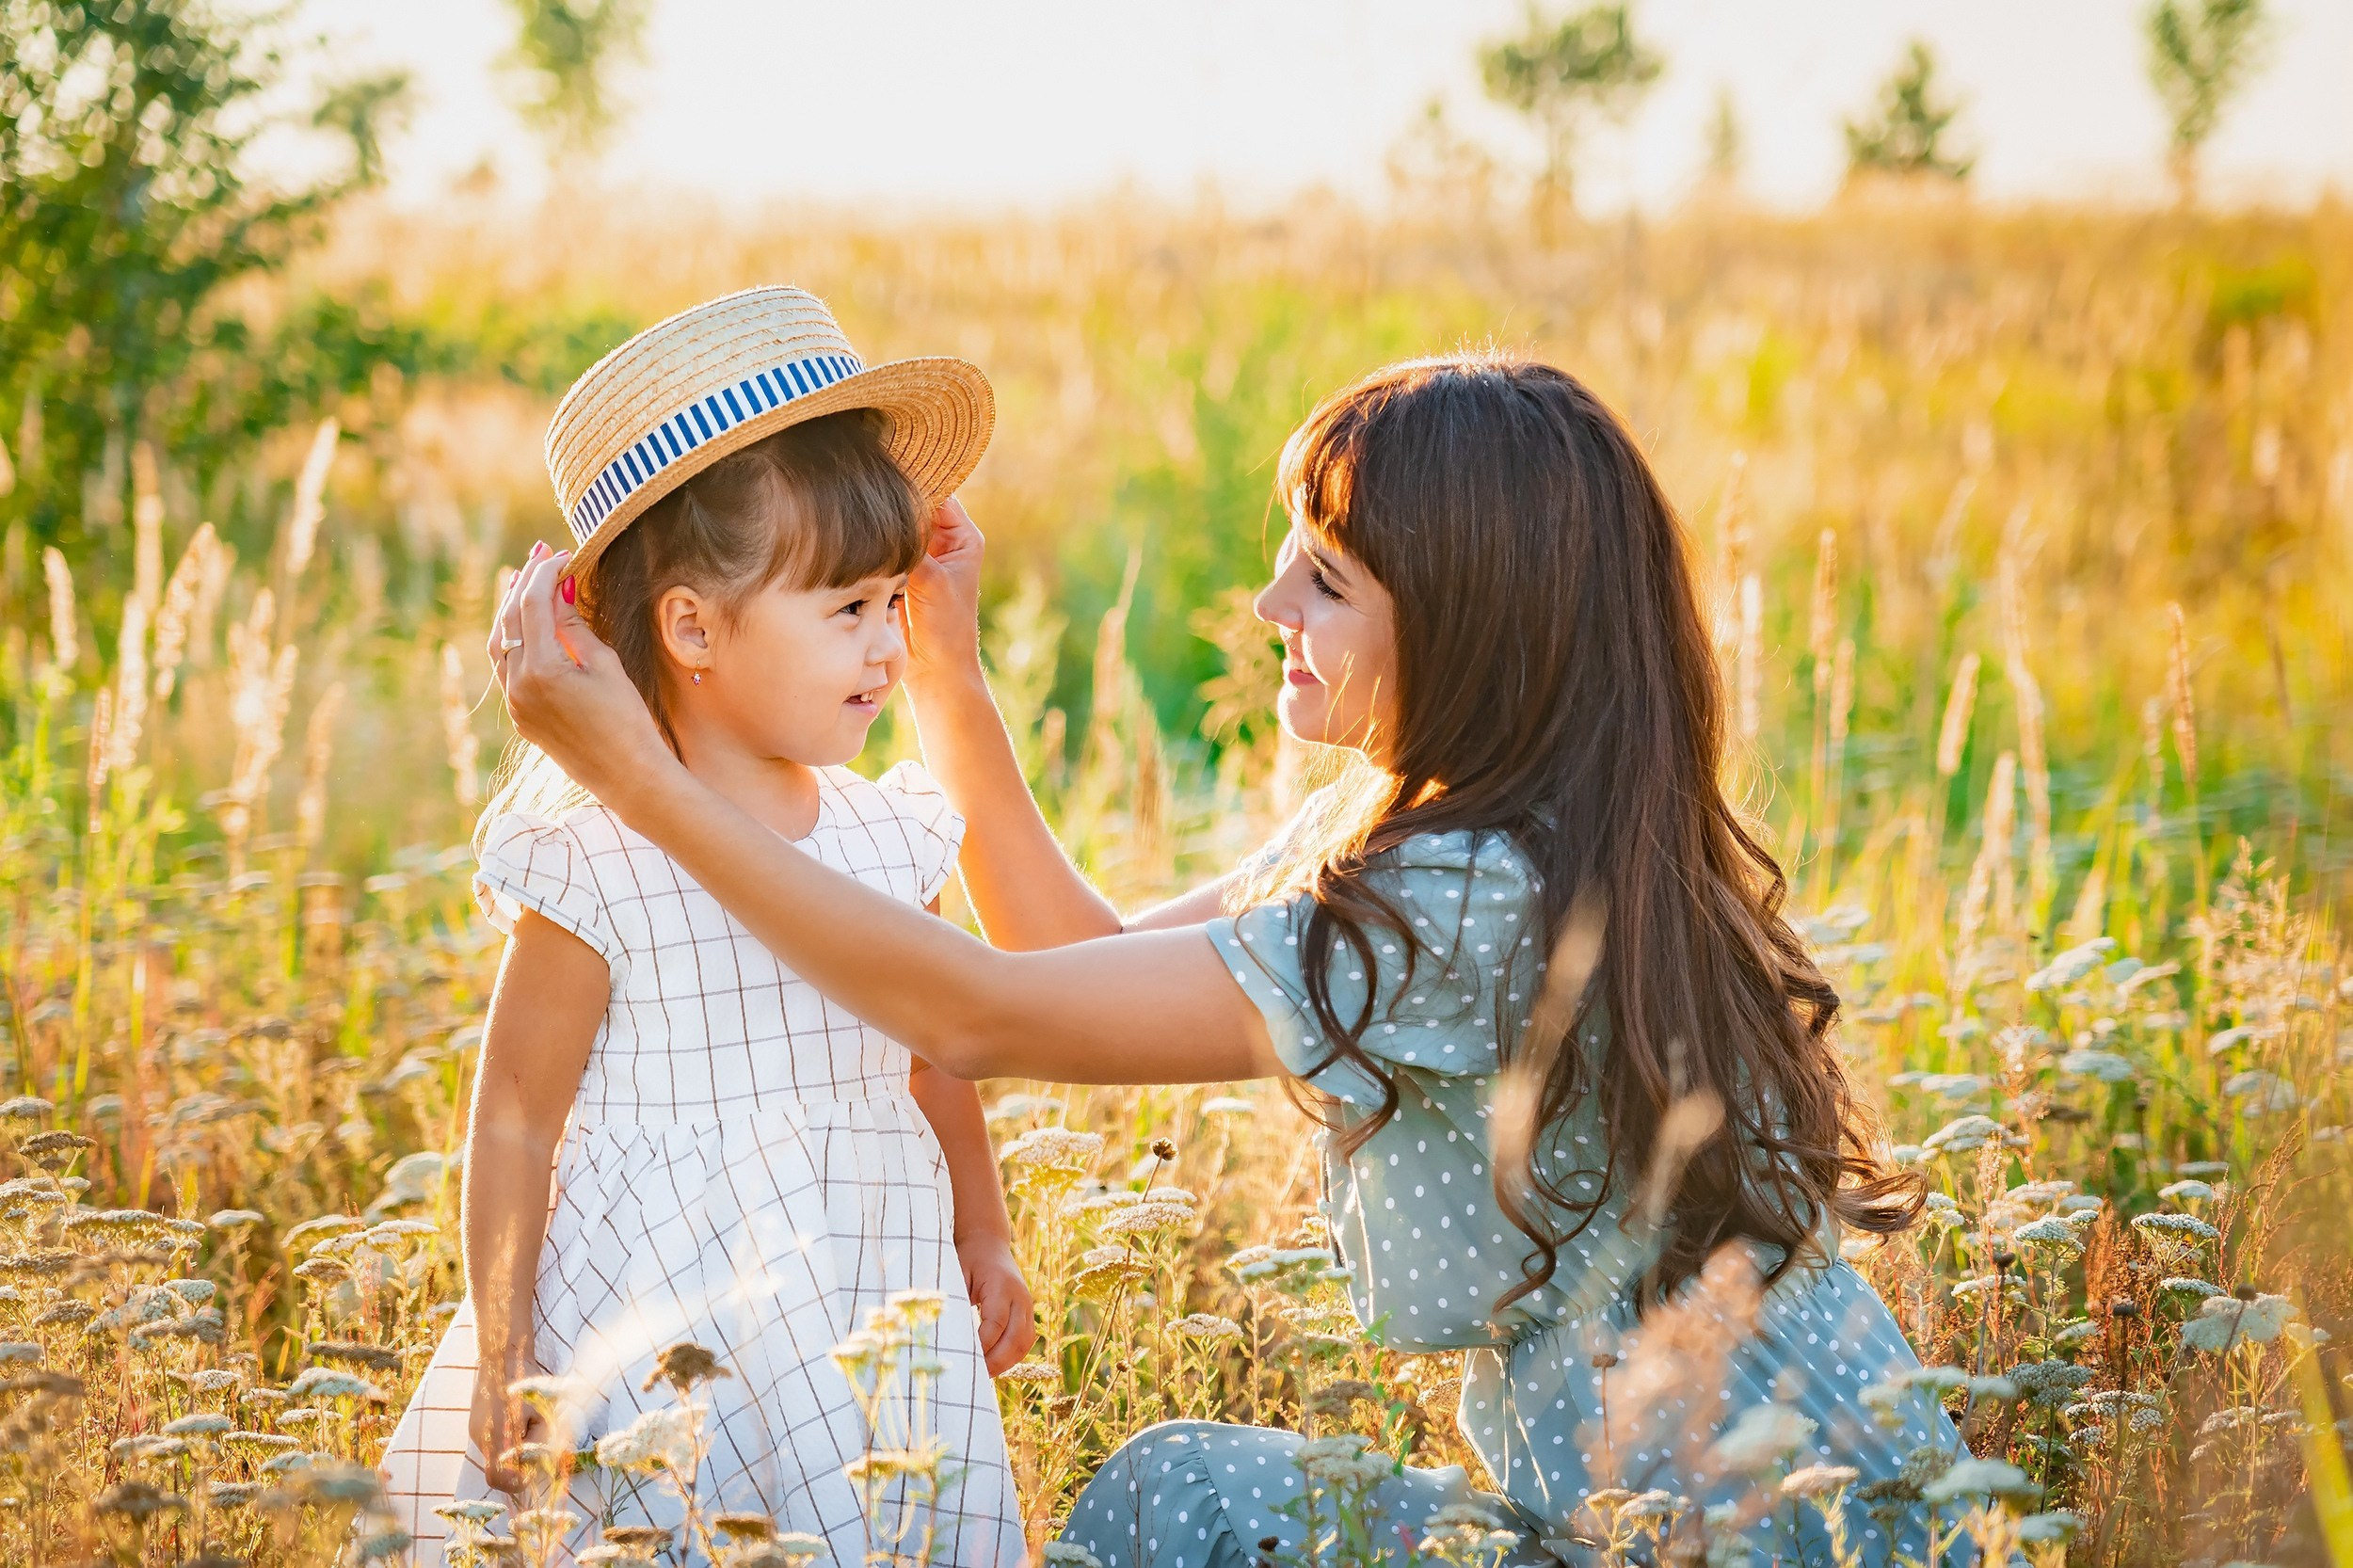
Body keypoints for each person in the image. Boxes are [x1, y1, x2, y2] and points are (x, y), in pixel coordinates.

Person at [490, 352, 1966, 1564]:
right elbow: (1066, 957)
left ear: (1462, 622)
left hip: (1759, 1533)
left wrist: (643, 785)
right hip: (1692, 1510)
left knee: (1172, 1492)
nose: (1268, 610)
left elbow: (982, 1013)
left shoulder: (1465, 894)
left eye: (1323, 581)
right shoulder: (1466, 834)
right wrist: (947, 664)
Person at [379, 287, 1032, 1565]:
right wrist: (504, 1341)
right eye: (846, 608)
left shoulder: (886, 835)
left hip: (865, 1284)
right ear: (690, 627)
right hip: (657, 1315)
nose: (886, 649)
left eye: (892, 600)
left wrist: (983, 1224)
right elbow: (514, 1106)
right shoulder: (600, 863)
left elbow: (933, 1052)